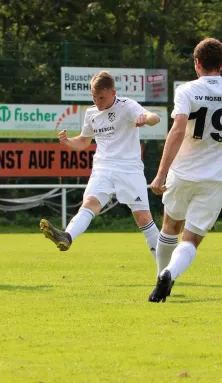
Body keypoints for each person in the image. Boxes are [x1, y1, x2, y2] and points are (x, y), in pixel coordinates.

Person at [148, 38, 222, 302]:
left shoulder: (186, 90)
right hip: (216, 179)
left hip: (182, 173)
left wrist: (160, 173)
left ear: (197, 63)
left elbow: (177, 130)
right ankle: (169, 273)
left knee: (169, 226)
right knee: (190, 239)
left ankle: (160, 275)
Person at [39, 70, 162, 267]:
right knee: (90, 203)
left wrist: (146, 118)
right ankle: (67, 236)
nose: (97, 101)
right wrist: (67, 142)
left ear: (113, 93)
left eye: (101, 97)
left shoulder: (127, 106)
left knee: (143, 217)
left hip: (128, 168)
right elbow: (84, 141)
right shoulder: (91, 113)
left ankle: (164, 271)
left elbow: (154, 117)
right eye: (94, 97)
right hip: (103, 167)